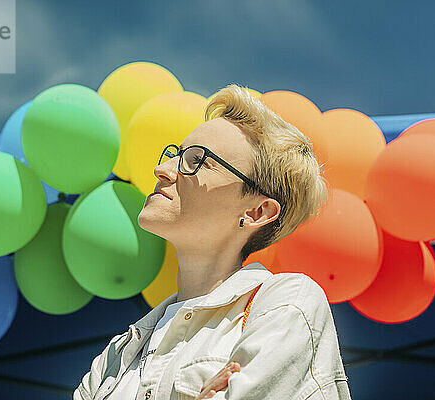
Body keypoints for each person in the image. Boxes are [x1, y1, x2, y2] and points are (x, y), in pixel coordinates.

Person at [73, 84, 352, 400]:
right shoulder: (117, 355)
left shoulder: (286, 305)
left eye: (198, 160)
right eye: (175, 154)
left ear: (257, 211)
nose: (161, 170)